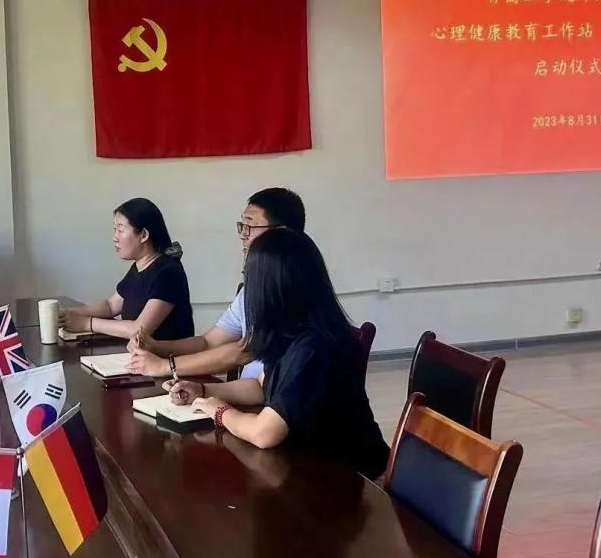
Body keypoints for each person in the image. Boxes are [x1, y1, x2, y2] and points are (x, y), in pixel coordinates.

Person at [164, 229, 389, 478]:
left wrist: (219, 410)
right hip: (309, 462)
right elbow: (261, 386)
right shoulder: (292, 333)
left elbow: (264, 433)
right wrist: (203, 390)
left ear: (270, 290)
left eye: (250, 280)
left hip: (351, 478)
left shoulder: (315, 348)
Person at [128, 187, 305, 379]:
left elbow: (242, 352)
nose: (243, 235)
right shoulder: (251, 289)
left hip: (267, 397)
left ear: (281, 233)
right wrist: (155, 346)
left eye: (251, 226)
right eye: (242, 226)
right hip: (246, 390)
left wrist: (166, 366)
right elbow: (209, 342)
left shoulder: (294, 289)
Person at [59, 198, 194, 342]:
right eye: (115, 230)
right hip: (139, 353)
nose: (115, 238)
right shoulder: (140, 266)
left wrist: (87, 323)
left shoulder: (169, 273)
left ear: (143, 235)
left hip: (168, 356)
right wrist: (68, 313)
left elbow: (140, 329)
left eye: (120, 230)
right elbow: (110, 306)